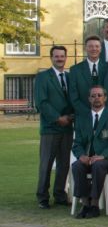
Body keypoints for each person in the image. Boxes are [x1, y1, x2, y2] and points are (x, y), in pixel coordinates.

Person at [70, 85, 108, 218]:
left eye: (99, 95)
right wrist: (81, 155)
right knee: (76, 166)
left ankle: (94, 205)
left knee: (98, 165)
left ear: (105, 98)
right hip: (88, 159)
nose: (96, 98)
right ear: (89, 99)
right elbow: (77, 143)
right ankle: (85, 204)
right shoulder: (82, 118)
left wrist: (103, 155)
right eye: (93, 96)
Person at [34, 44, 74, 208]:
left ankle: (60, 195)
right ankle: (42, 197)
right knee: (46, 164)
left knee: (64, 164)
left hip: (68, 127)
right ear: (51, 58)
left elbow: (74, 99)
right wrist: (57, 118)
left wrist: (70, 117)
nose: (59, 59)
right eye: (56, 56)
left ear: (66, 58)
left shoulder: (70, 77)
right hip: (50, 128)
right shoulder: (43, 77)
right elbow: (41, 102)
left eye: (62, 56)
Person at [69, 36, 107, 113]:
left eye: (97, 46)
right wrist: (86, 112)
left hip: (105, 115)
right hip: (83, 114)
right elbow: (73, 96)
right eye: (90, 46)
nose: (94, 49)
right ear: (85, 48)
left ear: (101, 49)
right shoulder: (75, 70)